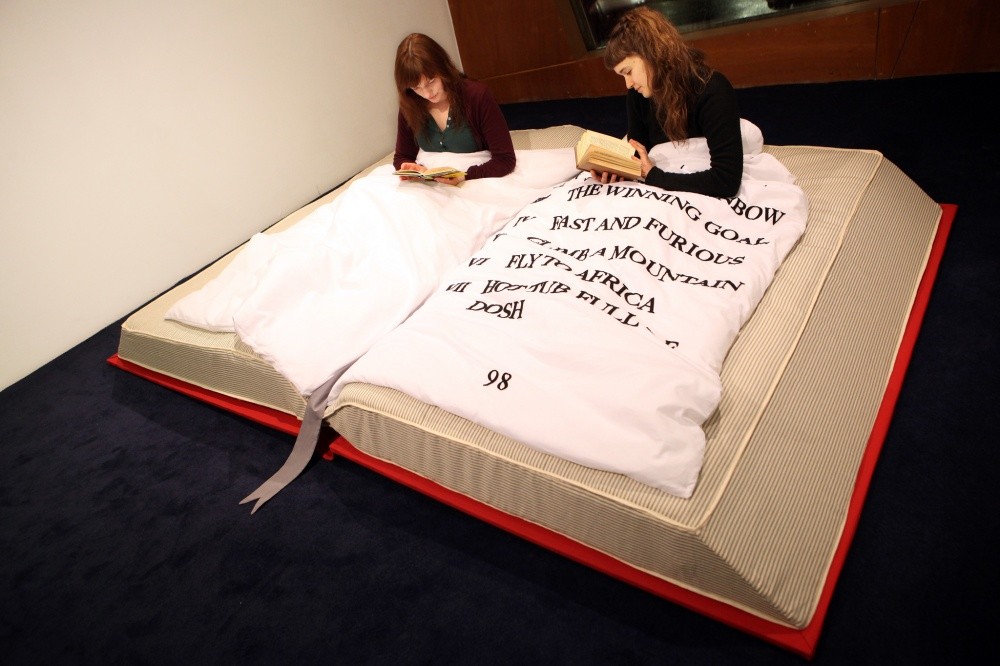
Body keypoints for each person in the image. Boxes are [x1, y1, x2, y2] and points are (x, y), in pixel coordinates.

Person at [597, 7, 743, 198]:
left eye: (628, 72)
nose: (628, 84)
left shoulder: (712, 89)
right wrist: (616, 169)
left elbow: (726, 180)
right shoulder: (637, 95)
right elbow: (638, 152)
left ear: (651, 54)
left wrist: (653, 176)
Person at [393, 33, 515, 185]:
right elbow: (402, 156)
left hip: (476, 179)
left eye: (431, 81)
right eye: (416, 87)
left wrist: (463, 176)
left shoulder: (477, 96)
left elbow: (505, 160)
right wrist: (412, 168)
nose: (427, 93)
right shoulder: (410, 103)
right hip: (432, 183)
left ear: (443, 68)